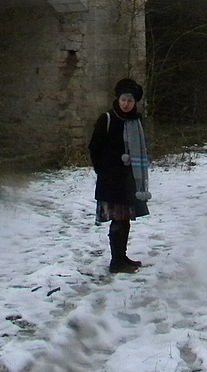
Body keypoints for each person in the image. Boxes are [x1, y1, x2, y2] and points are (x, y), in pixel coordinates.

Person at [88, 77, 150, 274]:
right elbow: (94, 148)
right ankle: (116, 262)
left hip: (129, 179)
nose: (126, 104)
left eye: (130, 101)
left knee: (125, 219)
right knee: (118, 219)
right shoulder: (106, 119)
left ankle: (122, 256)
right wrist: (105, 169)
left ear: (135, 102)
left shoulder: (135, 121)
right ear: (118, 99)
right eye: (123, 99)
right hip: (111, 179)